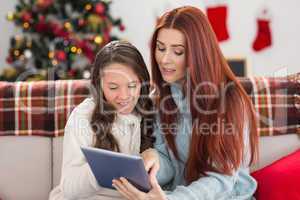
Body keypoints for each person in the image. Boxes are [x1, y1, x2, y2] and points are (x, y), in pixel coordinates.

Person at [112, 6, 259, 200]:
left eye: (178, 52)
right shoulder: (162, 97)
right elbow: (171, 165)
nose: (164, 59)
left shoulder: (230, 100)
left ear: (198, 53)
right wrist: (152, 163)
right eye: (160, 48)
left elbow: (221, 181)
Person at [49, 40, 155, 200]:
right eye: (113, 87)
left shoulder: (148, 110)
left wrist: (154, 155)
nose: (124, 96)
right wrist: (102, 168)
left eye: (132, 85)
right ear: (99, 86)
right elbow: (69, 189)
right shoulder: (83, 117)